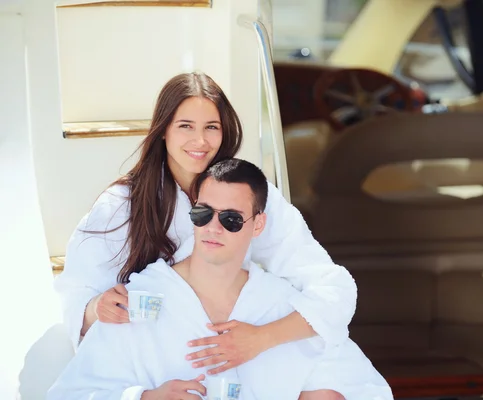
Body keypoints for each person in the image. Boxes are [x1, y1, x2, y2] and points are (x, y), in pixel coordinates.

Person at [53, 72, 357, 376]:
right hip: (155, 371)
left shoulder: (252, 196)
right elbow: (77, 296)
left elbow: (332, 289)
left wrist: (262, 338)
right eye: (185, 126)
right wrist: (96, 309)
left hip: (237, 363)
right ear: (163, 131)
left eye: (211, 127)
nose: (200, 141)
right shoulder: (120, 204)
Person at [47, 158, 393, 400]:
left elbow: (364, 390)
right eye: (202, 213)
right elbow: (69, 394)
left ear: (258, 225)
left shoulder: (281, 308)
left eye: (231, 219)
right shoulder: (137, 303)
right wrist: (144, 397)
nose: (213, 227)